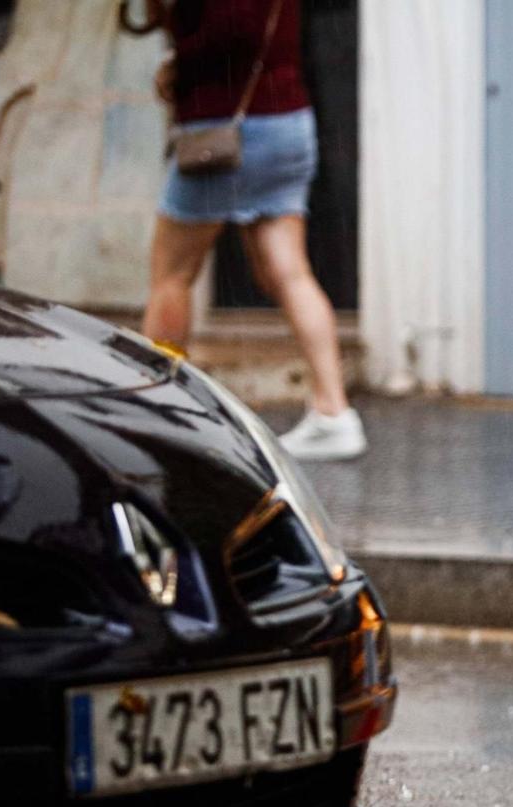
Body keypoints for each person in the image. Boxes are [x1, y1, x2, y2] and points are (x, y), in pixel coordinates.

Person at [145, 0, 364, 461]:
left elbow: (231, 32)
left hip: (225, 128)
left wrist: (180, 63)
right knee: (289, 271)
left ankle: (156, 411)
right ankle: (333, 412)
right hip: (288, 121)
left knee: (172, 274)